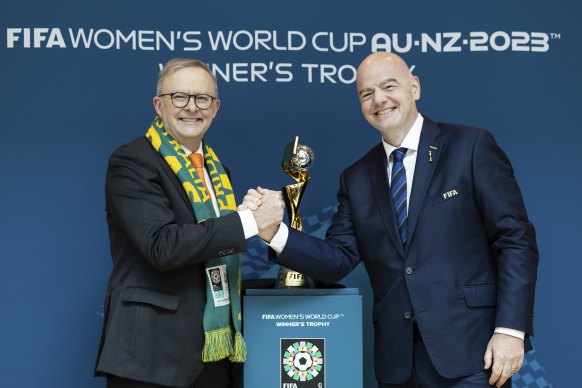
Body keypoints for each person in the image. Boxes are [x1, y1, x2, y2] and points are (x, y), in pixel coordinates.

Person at [242, 52, 538, 387]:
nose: (378, 99)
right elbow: (338, 259)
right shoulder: (355, 178)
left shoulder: (470, 146)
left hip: (472, 355)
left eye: (389, 86)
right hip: (399, 365)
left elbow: (514, 239)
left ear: (415, 87)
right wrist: (274, 233)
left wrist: (511, 330)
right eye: (366, 94)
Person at [94, 58, 282, 388]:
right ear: (159, 104)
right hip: (151, 355)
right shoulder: (132, 161)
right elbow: (161, 246)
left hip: (214, 352)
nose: (191, 108)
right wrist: (246, 222)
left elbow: (206, 234)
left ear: (216, 106)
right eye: (179, 97)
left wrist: (244, 215)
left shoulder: (216, 170)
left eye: (203, 99)